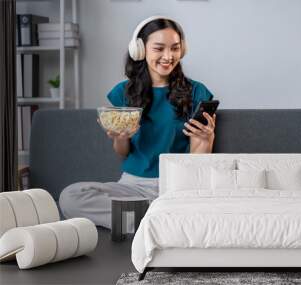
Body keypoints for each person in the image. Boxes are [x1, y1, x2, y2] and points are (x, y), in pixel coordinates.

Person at [59, 15, 216, 229]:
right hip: (133, 187)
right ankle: (158, 220)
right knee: (71, 197)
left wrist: (207, 140)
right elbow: (123, 152)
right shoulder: (123, 93)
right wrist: (120, 139)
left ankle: (141, 219)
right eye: (159, 48)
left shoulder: (197, 92)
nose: (168, 56)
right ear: (140, 50)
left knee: (199, 204)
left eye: (175, 48)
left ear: (183, 49)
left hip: (176, 186)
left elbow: (196, 164)